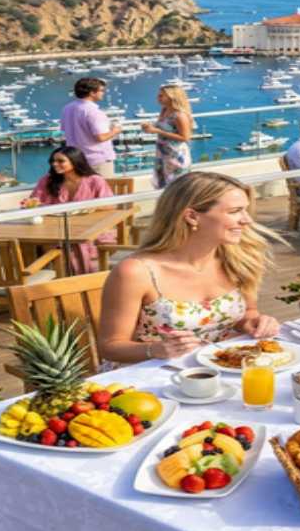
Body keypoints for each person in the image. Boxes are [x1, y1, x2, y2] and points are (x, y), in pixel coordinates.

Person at [98, 172, 282, 363]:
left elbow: (248, 312)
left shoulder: (240, 258)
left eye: (245, 210)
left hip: (217, 369)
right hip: (148, 379)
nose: (247, 220)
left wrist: (253, 322)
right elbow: (110, 346)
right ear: (192, 217)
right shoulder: (136, 272)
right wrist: (156, 349)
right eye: (235, 211)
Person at [27, 146, 116, 274]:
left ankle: (76, 277)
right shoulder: (48, 180)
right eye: (53, 161)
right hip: (55, 229)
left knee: (73, 245)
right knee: (46, 243)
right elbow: (34, 202)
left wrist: (89, 207)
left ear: (75, 161)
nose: (54, 164)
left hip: (91, 229)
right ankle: (66, 279)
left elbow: (110, 204)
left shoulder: (95, 180)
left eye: (60, 161)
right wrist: (33, 204)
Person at [60, 77, 121, 178]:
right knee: (103, 192)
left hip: (76, 159)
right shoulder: (93, 112)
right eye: (101, 90)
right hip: (98, 161)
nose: (103, 93)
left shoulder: (67, 108)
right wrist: (115, 131)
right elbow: (101, 137)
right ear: (92, 93)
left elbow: (65, 129)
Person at [142, 84, 193, 189]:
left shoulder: (179, 115)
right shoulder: (165, 110)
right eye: (158, 95)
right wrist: (150, 127)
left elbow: (185, 137)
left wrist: (158, 131)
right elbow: (164, 128)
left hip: (175, 154)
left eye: (161, 96)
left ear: (172, 97)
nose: (158, 98)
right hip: (162, 153)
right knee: (163, 183)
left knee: (175, 186)